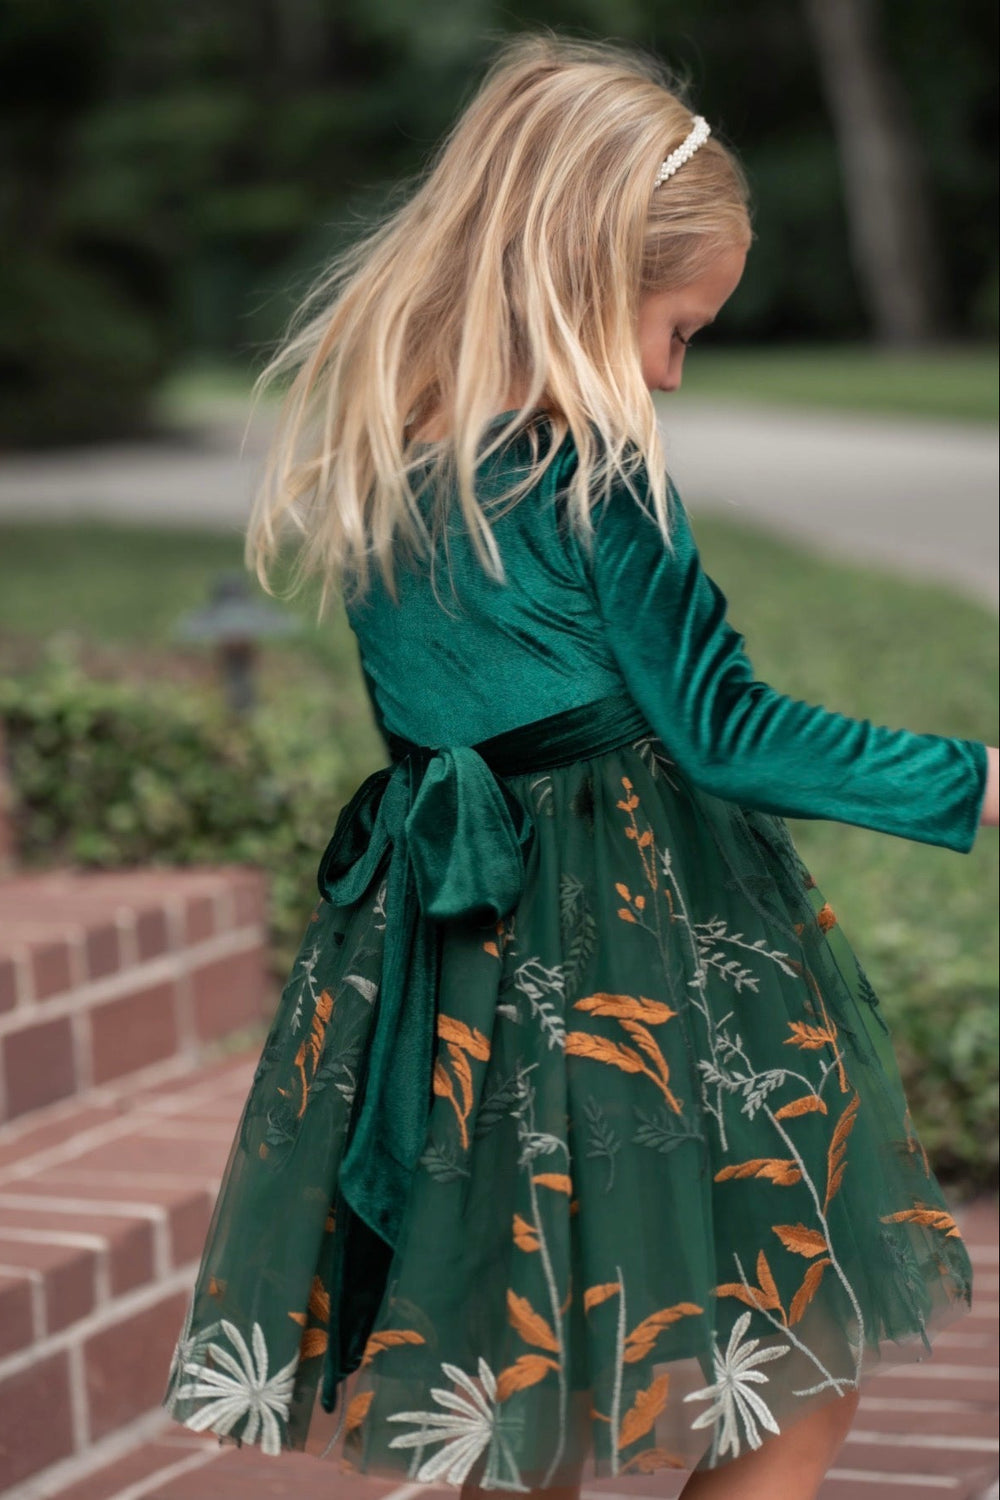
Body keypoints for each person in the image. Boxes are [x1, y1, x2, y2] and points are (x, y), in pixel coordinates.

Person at [161, 33, 999, 1500]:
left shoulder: (387, 464)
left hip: (453, 957)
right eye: (677, 331)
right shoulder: (595, 475)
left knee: (521, 1376)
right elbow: (722, 729)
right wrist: (974, 775)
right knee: (802, 1357)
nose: (674, 376)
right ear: (581, 276)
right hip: (637, 939)